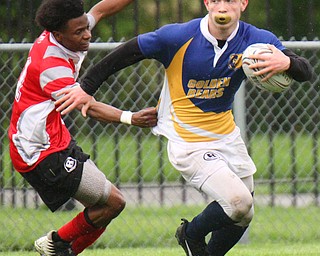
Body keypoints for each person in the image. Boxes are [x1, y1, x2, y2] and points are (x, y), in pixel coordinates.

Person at [54, 0, 314, 255]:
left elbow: (306, 72)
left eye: (231, 0)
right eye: (215, 0)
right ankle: (189, 234)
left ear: (243, 3)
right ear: (206, 3)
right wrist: (85, 87)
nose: (223, 6)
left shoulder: (256, 41)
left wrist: (288, 63)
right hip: (188, 141)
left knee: (243, 215)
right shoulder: (178, 36)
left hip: (227, 136)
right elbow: (127, 53)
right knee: (239, 202)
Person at [8, 0, 157, 255]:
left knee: (108, 208)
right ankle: (56, 243)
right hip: (37, 151)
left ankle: (59, 248)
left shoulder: (68, 29)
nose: (87, 34)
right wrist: (131, 118)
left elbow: (100, 10)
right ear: (58, 35)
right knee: (113, 203)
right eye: (79, 32)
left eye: (85, 27)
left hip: (56, 138)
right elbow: (88, 106)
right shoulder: (51, 66)